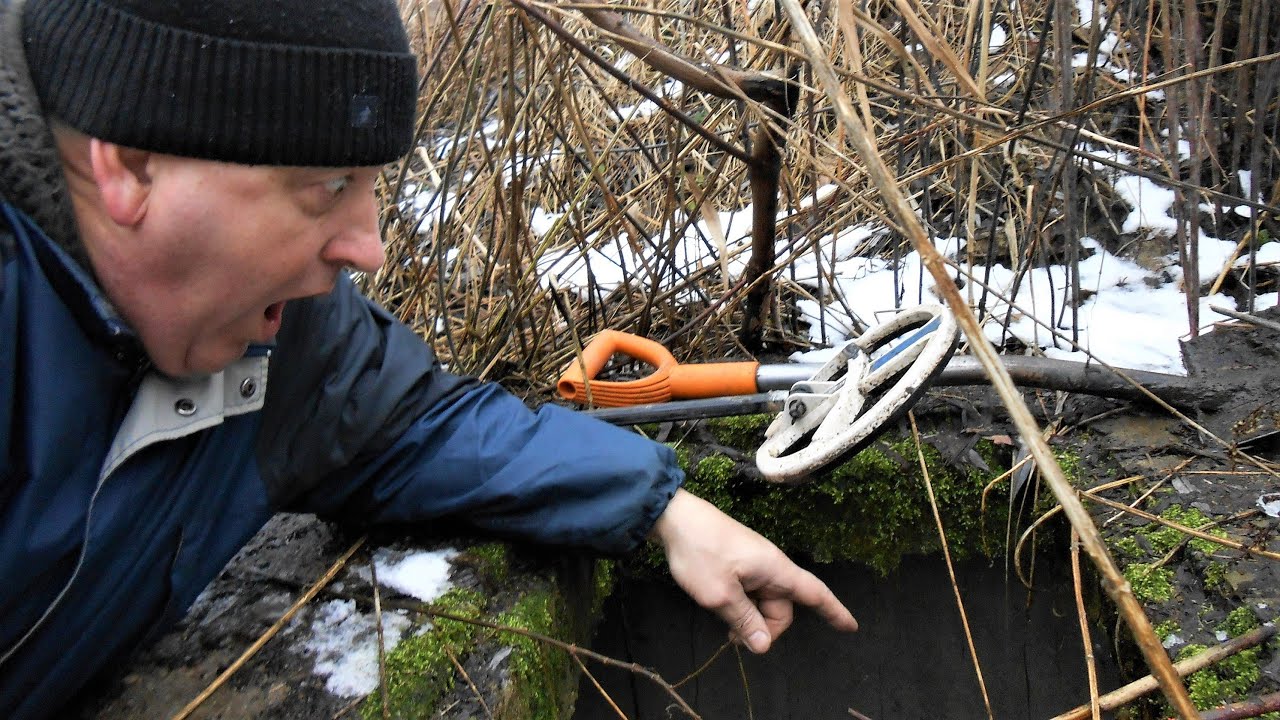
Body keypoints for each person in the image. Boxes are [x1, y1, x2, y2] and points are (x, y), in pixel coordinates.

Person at [0, 0, 858, 716]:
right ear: (133, 165)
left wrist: (665, 508)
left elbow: (413, 422)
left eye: (371, 186)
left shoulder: (288, 339)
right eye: (327, 189)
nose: (369, 248)